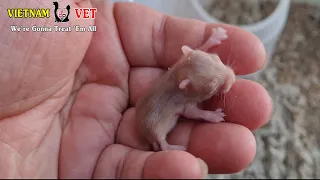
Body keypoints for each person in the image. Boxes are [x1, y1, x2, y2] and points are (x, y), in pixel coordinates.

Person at [0, 0, 272, 179]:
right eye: (214, 83)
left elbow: (195, 57)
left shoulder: (184, 67)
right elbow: (188, 108)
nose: (228, 78)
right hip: (151, 124)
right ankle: (162, 143)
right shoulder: (182, 92)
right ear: (185, 87)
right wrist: (208, 116)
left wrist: (211, 40)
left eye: (218, 63)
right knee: (159, 134)